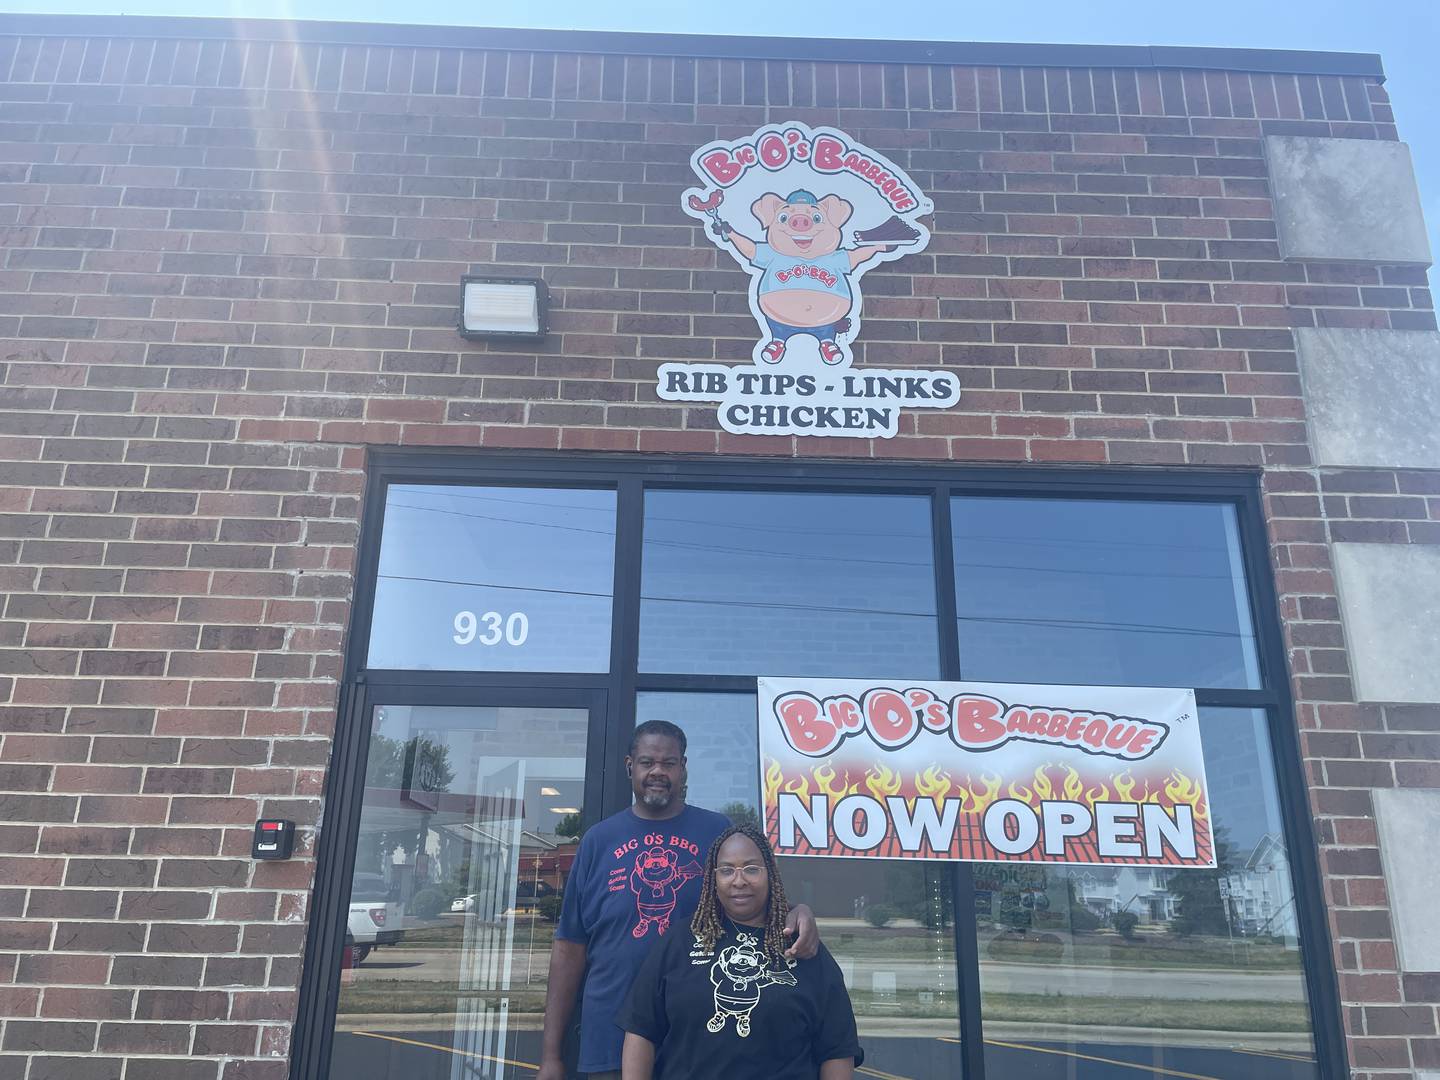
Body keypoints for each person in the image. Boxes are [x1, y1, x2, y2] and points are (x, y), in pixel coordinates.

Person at [539, 720, 818, 1080]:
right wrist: (551, 1055)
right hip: (608, 1037)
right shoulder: (597, 841)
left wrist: (801, 911)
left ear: (683, 769)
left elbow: (764, 903)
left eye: (669, 763)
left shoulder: (717, 832)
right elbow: (569, 949)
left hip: (696, 1041)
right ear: (629, 767)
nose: (658, 771)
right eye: (647, 762)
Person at [617, 823, 862, 1080]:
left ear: (771, 873)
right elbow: (640, 1031)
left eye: (751, 869)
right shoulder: (678, 941)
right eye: (726, 871)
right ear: (714, 878)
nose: (739, 880)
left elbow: (837, 1049)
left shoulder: (801, 945)